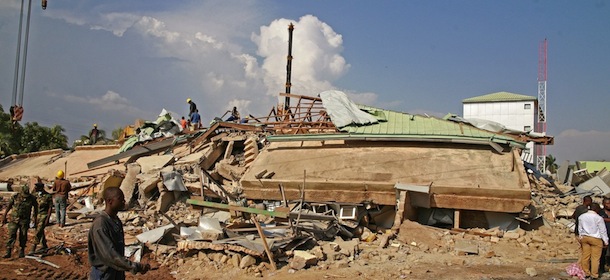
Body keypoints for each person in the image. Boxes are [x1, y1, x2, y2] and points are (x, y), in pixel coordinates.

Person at [88, 187, 150, 279]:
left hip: (116, 272)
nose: (123, 201)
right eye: (120, 199)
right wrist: (133, 266)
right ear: (110, 201)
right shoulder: (101, 224)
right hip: (104, 274)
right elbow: (109, 255)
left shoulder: (116, 220)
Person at [1, 185, 38, 258]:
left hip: (24, 220)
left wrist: (35, 218)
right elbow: (9, 206)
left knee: (23, 236)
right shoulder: (15, 197)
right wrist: (4, 216)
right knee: (12, 235)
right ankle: (8, 251)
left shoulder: (32, 198)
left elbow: (36, 208)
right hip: (14, 219)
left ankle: (22, 251)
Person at [579, 202, 609, 279]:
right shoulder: (598, 218)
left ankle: (586, 273)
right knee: (595, 258)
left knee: (585, 256)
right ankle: (594, 274)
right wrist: (606, 241)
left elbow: (580, 228)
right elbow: (602, 230)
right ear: (596, 209)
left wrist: (581, 236)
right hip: (596, 238)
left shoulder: (582, 216)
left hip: (585, 237)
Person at [30, 180, 53, 254]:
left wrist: (48, 218)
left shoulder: (48, 196)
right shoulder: (35, 195)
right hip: (36, 215)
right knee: (39, 230)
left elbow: (50, 208)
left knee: (38, 231)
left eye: (36, 187)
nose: (35, 188)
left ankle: (33, 248)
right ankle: (44, 245)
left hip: (44, 215)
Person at [600, 198, 610, 275]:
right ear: (603, 204)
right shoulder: (600, 212)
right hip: (603, 234)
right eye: (607, 203)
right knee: (603, 252)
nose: (609, 205)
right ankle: (601, 268)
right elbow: (599, 220)